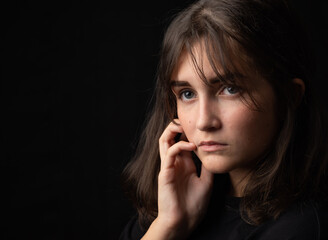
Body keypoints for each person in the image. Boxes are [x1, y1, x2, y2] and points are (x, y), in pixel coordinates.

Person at [120, 0, 328, 239]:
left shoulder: (302, 228)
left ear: (289, 97)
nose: (203, 121)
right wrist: (167, 225)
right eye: (187, 94)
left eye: (230, 89)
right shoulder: (172, 206)